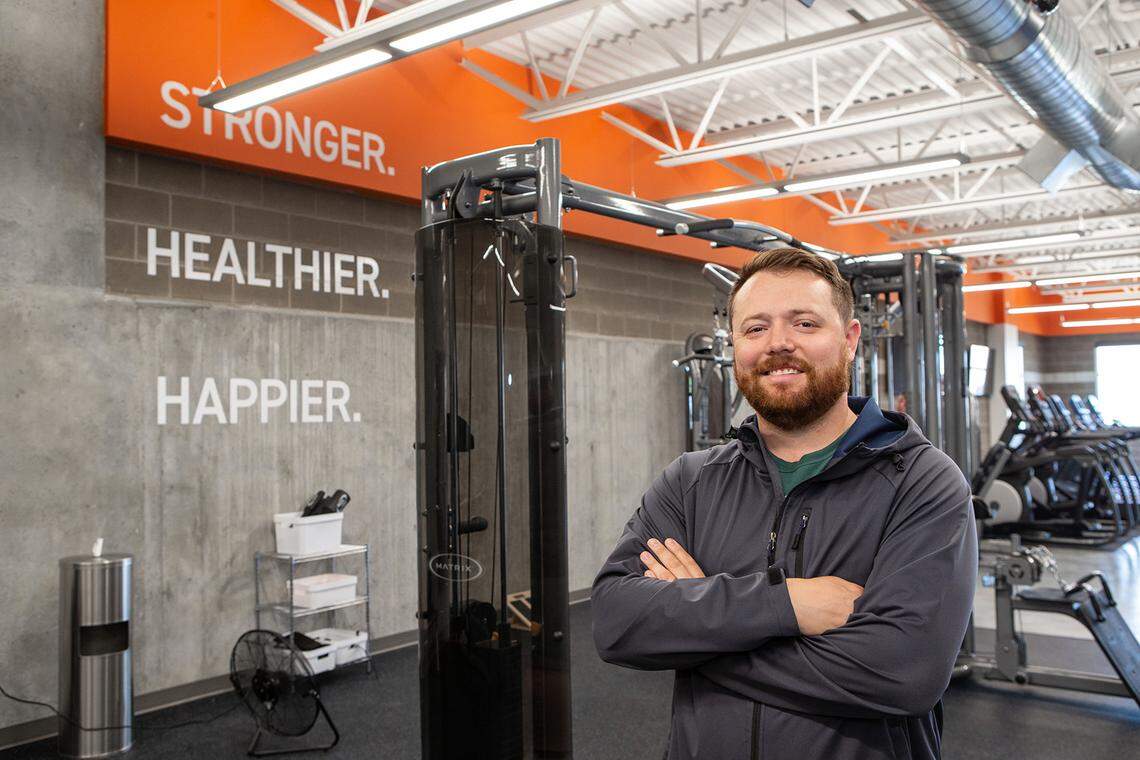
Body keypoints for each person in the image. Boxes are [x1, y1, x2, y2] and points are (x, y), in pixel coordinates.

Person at [591, 248, 977, 760]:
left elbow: (901, 673)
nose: (779, 343)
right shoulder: (691, 481)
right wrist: (786, 604)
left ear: (850, 340)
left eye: (804, 322)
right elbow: (617, 623)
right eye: (755, 329)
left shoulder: (923, 483)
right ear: (736, 346)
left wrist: (698, 625)